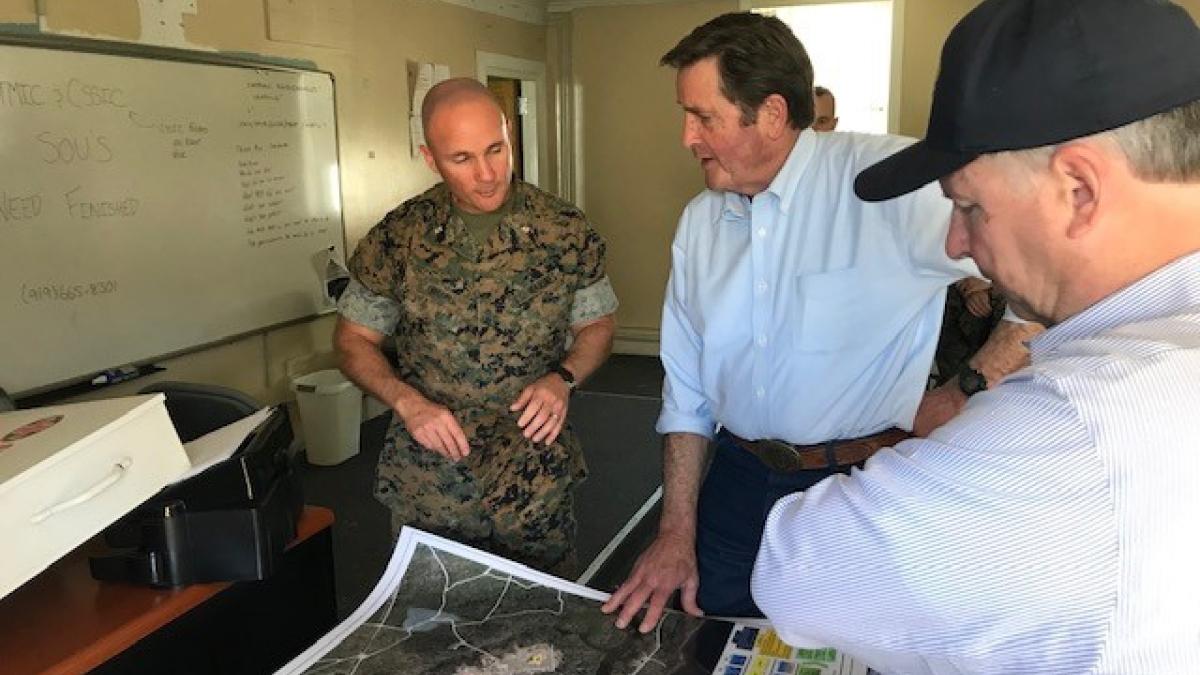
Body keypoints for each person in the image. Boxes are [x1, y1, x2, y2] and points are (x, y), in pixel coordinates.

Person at [753, 0, 1200, 671]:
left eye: (969, 206)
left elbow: (798, 568)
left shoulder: (1081, 429)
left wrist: (938, 441)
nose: (958, 243)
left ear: (1078, 190)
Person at [602, 12, 1032, 631]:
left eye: (703, 117)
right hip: (735, 484)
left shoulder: (889, 185)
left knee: (851, 652)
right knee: (718, 643)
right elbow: (688, 391)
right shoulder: (700, 224)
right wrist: (674, 531)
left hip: (859, 484)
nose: (686, 137)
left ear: (772, 114)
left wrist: (969, 385)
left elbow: (1049, 272)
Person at [334, 78, 618, 577]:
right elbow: (354, 341)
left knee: (543, 627)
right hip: (431, 478)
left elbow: (597, 324)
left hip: (532, 475)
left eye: (496, 149)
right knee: (433, 625)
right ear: (430, 158)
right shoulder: (399, 237)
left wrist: (564, 378)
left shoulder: (563, 229)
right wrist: (406, 401)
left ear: (509, 134)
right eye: (462, 159)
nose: (487, 175)